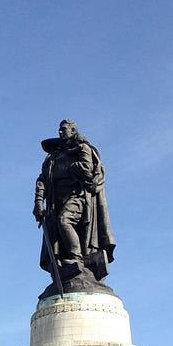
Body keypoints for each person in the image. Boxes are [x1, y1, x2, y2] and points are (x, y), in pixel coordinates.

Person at [33, 119, 116, 285]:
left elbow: (87, 170)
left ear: (73, 131)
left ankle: (76, 258)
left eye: (64, 129)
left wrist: (66, 167)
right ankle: (67, 263)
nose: (61, 132)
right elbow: (42, 179)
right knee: (57, 230)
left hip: (77, 196)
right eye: (60, 129)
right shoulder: (53, 157)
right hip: (56, 201)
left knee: (64, 220)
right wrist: (38, 201)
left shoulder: (83, 149)